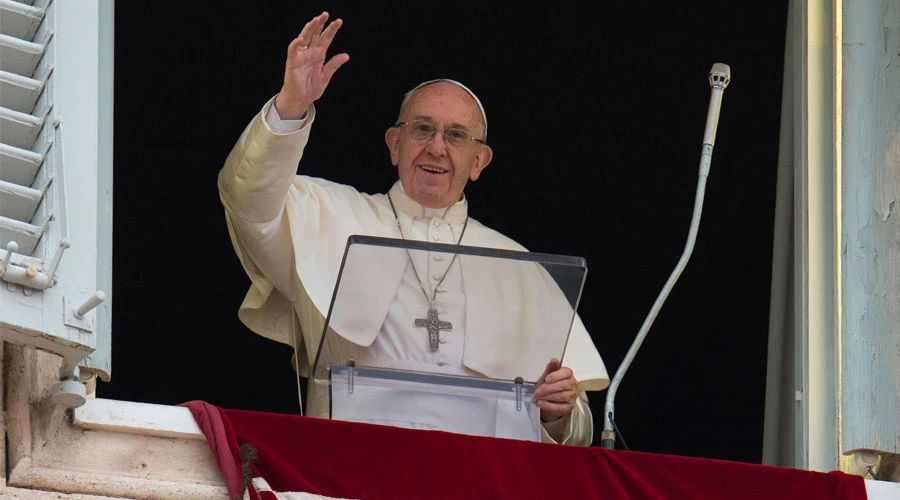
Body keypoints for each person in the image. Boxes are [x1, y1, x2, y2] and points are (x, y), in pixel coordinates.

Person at [218, 11, 609, 445]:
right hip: (352, 471)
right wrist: (292, 105)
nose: (436, 147)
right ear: (394, 144)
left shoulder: (518, 265)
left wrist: (559, 415)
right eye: (422, 129)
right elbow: (247, 197)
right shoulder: (326, 214)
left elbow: (578, 430)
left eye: (457, 135)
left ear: (479, 161)